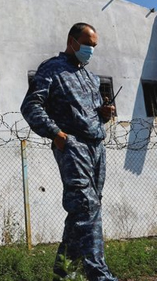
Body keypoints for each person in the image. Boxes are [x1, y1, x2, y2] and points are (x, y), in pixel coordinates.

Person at [20, 23, 117, 281]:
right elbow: (31, 105)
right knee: (86, 206)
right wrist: (56, 134)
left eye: (94, 46)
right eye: (87, 44)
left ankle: (64, 273)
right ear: (72, 41)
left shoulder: (89, 77)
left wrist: (104, 114)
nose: (90, 50)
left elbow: (93, 114)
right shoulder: (51, 69)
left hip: (97, 146)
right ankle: (100, 275)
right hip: (73, 145)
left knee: (84, 210)